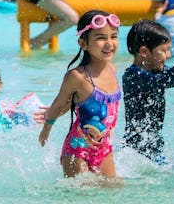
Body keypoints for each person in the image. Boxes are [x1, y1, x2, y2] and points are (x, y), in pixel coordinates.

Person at [38, 10, 123, 179]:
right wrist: (46, 130)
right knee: (81, 195)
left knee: (115, 192)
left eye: (113, 36)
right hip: (77, 150)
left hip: (104, 149)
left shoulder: (113, 69)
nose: (109, 43)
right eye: (100, 38)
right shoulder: (77, 77)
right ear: (83, 43)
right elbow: (59, 104)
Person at [122, 20, 174, 165]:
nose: (168, 55)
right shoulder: (133, 75)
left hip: (154, 148)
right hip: (135, 152)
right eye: (164, 50)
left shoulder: (156, 71)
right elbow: (167, 79)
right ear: (144, 52)